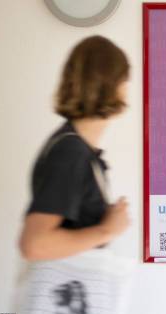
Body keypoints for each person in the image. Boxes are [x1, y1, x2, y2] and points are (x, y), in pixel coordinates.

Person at [19, 35, 131, 261]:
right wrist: (107, 230)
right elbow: (34, 245)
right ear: (113, 85)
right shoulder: (70, 153)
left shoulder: (78, 150)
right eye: (125, 80)